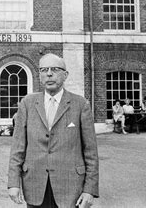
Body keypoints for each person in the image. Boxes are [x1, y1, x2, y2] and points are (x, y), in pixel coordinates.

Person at [8, 53, 99, 208]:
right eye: (44, 70)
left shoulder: (80, 105)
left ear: (65, 75)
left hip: (71, 188)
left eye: (55, 69)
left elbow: (90, 152)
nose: (49, 74)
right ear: (40, 75)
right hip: (35, 185)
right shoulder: (27, 104)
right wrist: (13, 183)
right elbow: (18, 148)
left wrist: (89, 190)